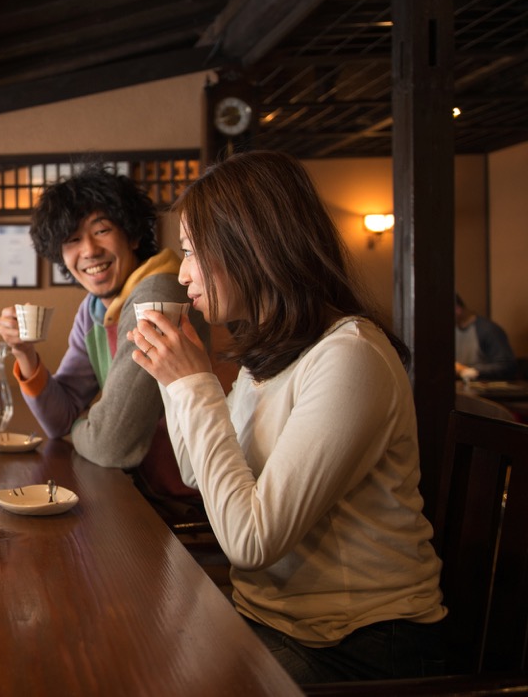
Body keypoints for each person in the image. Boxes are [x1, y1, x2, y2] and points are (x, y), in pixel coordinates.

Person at [131, 151, 446, 684]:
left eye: (190, 252)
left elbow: (252, 544)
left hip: (359, 643)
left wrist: (193, 383)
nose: (183, 275)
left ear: (252, 246)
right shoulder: (274, 353)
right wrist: (175, 382)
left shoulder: (349, 357)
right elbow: (195, 474)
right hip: (270, 619)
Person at [0, 164, 214, 477]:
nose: (90, 251)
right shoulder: (95, 307)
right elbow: (59, 419)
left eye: (101, 231)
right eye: (72, 239)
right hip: (140, 488)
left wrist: (84, 425)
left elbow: (110, 444)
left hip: (185, 494)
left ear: (133, 235)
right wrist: (24, 352)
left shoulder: (156, 297)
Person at [454, 293, 517, 381]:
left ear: (457, 309)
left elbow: (505, 366)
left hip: (485, 386)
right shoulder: (453, 329)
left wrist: (466, 370)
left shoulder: (487, 330)